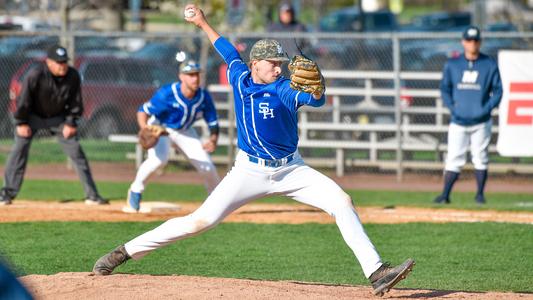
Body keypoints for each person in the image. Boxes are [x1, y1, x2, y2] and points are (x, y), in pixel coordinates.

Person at [93, 4, 414, 296]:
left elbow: (316, 101)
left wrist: (319, 88)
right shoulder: (241, 78)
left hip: (292, 170)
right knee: (200, 221)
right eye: (273, 63)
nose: (279, 67)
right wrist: (203, 22)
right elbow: (227, 49)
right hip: (249, 170)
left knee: (342, 202)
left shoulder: (286, 89)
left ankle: (377, 273)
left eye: (280, 63)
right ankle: (125, 251)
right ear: (255, 64)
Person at [0, 45, 107, 206]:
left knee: (76, 152)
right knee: (19, 151)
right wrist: (21, 122)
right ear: (49, 62)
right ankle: (6, 194)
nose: (62, 65)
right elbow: (23, 101)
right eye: (58, 62)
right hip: (32, 117)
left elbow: (76, 102)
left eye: (64, 62)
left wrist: (71, 122)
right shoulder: (35, 75)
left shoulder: (73, 76)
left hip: (59, 119)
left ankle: (92, 195)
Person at [124, 59, 220, 213]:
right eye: (190, 75)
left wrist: (213, 139)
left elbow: (213, 121)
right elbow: (143, 110)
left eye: (196, 74)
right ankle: (135, 190)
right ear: (181, 76)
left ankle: (217, 200)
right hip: (161, 128)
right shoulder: (167, 94)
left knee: (206, 166)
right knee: (158, 160)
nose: (195, 78)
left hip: (184, 131)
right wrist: (145, 128)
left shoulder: (203, 97)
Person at [434, 26, 502, 205]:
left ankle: (480, 195)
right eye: (469, 40)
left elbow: (498, 90)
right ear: (463, 42)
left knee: (480, 157)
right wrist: (453, 108)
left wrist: (486, 108)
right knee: (454, 157)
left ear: (480, 42)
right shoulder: (453, 64)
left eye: (475, 40)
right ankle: (445, 195)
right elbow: (445, 88)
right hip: (458, 120)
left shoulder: (489, 63)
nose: (472, 43)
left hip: (481, 121)